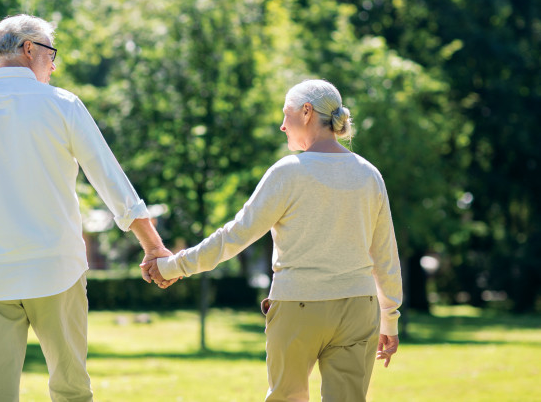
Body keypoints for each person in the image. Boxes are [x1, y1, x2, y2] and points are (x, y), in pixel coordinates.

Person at [0, 14, 174, 402]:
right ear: (29, 49)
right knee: (71, 392)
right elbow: (110, 179)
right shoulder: (63, 104)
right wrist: (153, 246)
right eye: (51, 53)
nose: (53, 64)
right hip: (56, 270)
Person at [142, 79, 403, 402]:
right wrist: (389, 319)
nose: (282, 125)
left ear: (306, 112)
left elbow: (234, 236)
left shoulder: (288, 173)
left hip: (299, 305)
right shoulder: (369, 174)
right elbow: (385, 255)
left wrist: (171, 266)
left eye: (286, 114)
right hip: (358, 307)